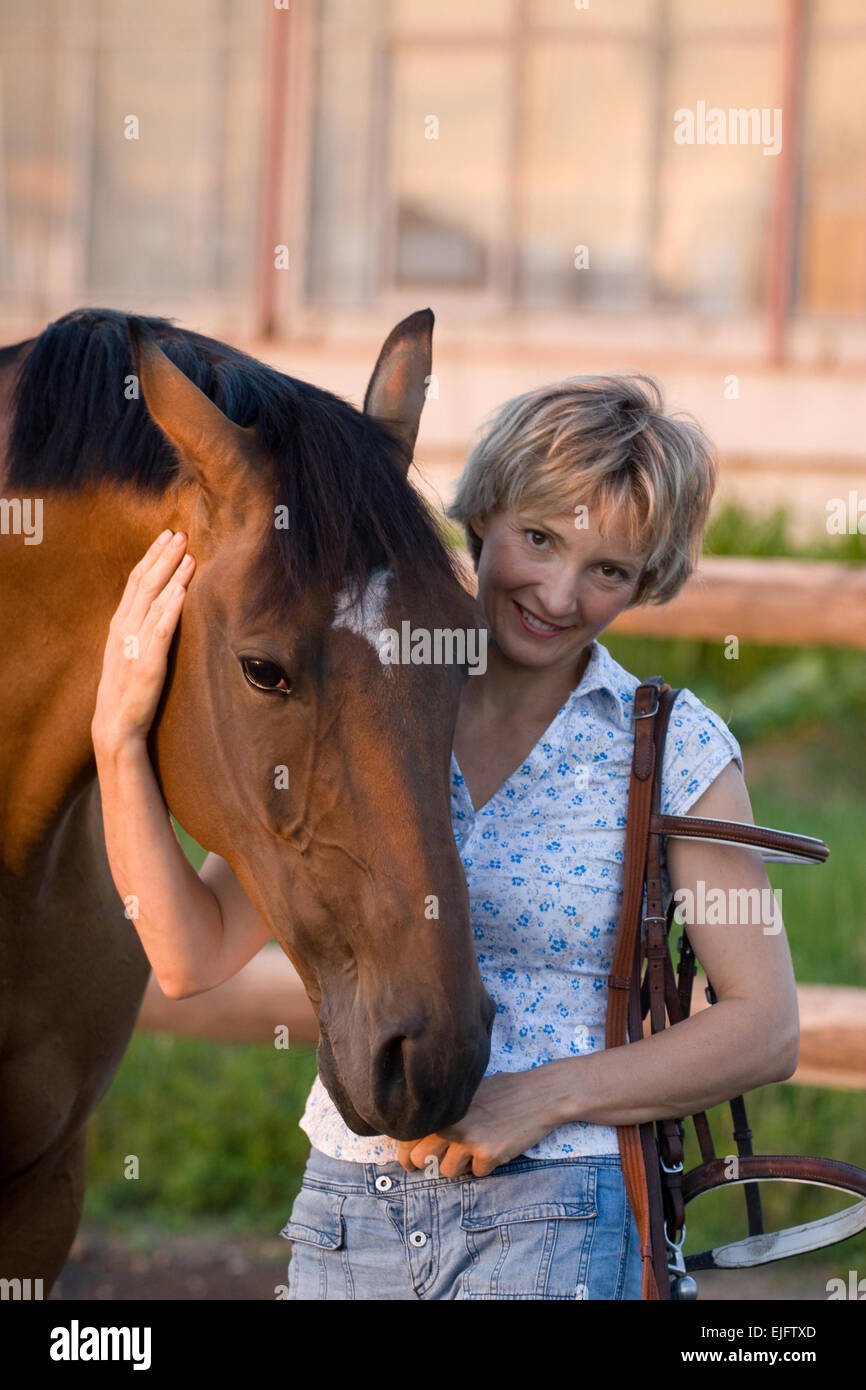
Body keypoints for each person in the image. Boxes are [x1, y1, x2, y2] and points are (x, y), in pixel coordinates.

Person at [92, 373, 799, 1301]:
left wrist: (542, 1096)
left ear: (647, 581)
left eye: (609, 570)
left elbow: (765, 1026)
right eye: (540, 539)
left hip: (558, 1215)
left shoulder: (672, 746)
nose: (557, 592)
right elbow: (191, 954)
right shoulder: (364, 691)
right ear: (486, 512)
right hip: (346, 1208)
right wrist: (116, 738)